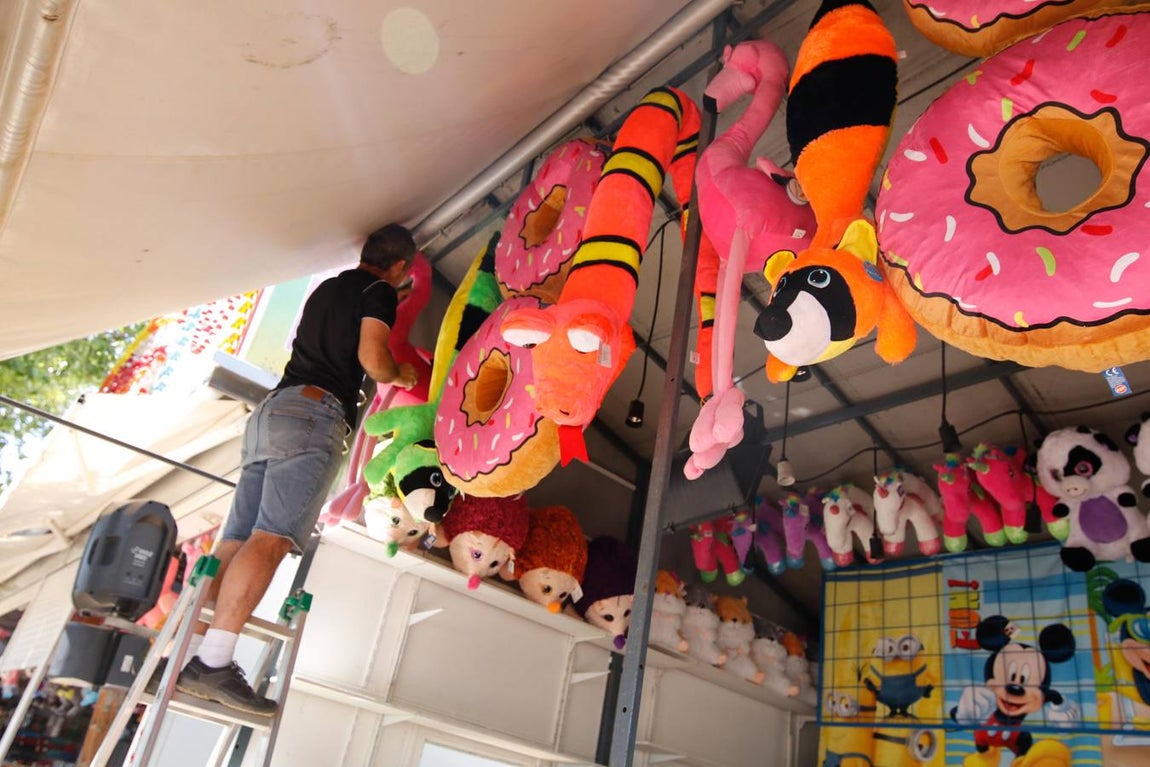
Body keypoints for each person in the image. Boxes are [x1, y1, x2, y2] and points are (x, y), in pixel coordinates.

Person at [174, 223, 419, 715]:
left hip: (273, 410)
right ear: (399, 268)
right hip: (314, 415)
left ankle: (189, 653)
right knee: (271, 538)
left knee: (234, 540)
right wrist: (401, 373)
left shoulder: (328, 286)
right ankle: (215, 660)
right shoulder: (379, 291)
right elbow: (373, 358)